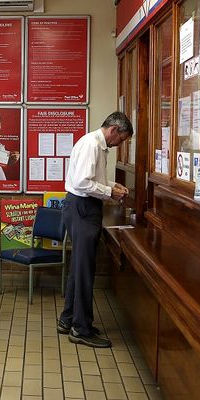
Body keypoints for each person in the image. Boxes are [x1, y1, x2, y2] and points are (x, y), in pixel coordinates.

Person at [57, 111, 132, 348]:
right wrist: (109, 193)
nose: (120, 144)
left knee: (79, 267)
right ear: (113, 130)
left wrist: (112, 185)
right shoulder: (92, 145)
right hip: (83, 208)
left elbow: (90, 178)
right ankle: (81, 328)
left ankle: (68, 319)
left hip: (81, 206)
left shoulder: (95, 144)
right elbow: (82, 183)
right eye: (121, 139)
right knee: (84, 269)